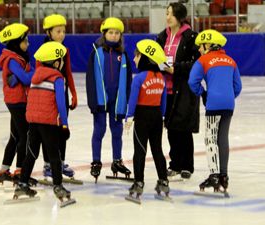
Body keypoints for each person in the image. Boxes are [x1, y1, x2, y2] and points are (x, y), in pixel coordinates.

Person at [14, 41, 73, 202]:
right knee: (54, 154)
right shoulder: (57, 78)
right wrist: (65, 124)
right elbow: (61, 103)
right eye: (61, 60)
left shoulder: (35, 76)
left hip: (33, 121)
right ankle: (58, 186)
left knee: (31, 153)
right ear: (56, 62)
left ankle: (23, 183)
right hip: (48, 122)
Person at [188, 29, 242, 192]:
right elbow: (238, 86)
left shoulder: (203, 60)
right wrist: (229, 96)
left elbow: (192, 82)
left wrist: (203, 94)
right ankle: (224, 176)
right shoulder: (230, 60)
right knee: (223, 138)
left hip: (214, 104)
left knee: (211, 139)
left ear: (208, 45)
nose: (198, 49)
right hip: (228, 104)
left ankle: (214, 176)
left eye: (200, 46)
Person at [156, 2, 200, 179]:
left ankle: (186, 165)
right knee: (171, 127)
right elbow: (154, 58)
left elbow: (197, 63)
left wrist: (176, 68)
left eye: (171, 14)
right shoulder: (161, 37)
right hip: (165, 90)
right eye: (166, 14)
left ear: (180, 17)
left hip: (184, 88)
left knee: (184, 128)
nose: (167, 17)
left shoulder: (191, 37)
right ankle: (174, 164)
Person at [86, 17, 133, 182]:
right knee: (99, 130)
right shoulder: (97, 52)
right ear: (104, 34)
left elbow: (128, 80)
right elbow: (90, 79)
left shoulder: (123, 54)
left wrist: (126, 100)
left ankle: (117, 161)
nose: (114, 36)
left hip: (117, 100)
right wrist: (92, 101)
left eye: (117, 33)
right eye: (110, 32)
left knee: (117, 131)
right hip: (100, 99)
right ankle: (96, 162)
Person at [125, 39, 169, 200]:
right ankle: (164, 181)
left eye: (136, 56)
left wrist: (129, 117)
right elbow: (164, 101)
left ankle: (139, 183)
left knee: (140, 151)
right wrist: (163, 116)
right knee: (158, 150)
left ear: (144, 58)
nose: (134, 59)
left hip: (142, 117)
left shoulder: (139, 78)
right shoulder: (161, 78)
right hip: (157, 117)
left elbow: (133, 99)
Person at [40, 14, 78, 180]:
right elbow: (38, 74)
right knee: (49, 132)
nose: (62, 34)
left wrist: (74, 93)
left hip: (62, 95)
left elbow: (68, 72)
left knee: (62, 128)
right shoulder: (42, 51)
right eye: (58, 31)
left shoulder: (65, 50)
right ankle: (48, 164)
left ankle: (60, 162)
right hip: (48, 96)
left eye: (63, 31)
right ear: (49, 33)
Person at [0, 23, 34, 185]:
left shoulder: (19, 58)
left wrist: (22, 75)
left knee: (15, 135)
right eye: (25, 41)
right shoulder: (11, 59)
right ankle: (20, 171)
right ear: (15, 43)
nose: (28, 44)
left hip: (18, 99)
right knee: (24, 135)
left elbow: (22, 77)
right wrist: (34, 71)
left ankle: (4, 170)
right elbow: (26, 78)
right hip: (16, 101)